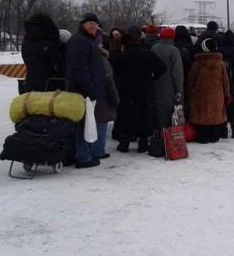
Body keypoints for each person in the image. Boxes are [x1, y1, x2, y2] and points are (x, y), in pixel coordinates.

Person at [113, 25, 167, 153]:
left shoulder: (122, 55)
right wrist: (152, 77)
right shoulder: (148, 54)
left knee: (126, 115)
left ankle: (124, 143)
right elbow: (162, 67)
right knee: (144, 115)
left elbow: (115, 71)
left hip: (126, 89)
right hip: (144, 89)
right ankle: (143, 143)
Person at [66, 12, 106, 168]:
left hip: (85, 89)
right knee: (83, 124)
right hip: (82, 91)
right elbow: (80, 69)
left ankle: (82, 154)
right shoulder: (80, 41)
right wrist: (90, 89)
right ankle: (83, 157)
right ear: (82, 24)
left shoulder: (88, 41)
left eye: (95, 24)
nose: (93, 26)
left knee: (84, 123)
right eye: (90, 23)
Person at [187, 38, 231, 143]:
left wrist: (188, 94)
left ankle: (203, 137)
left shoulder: (197, 64)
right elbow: (226, 81)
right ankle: (214, 136)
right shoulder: (220, 64)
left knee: (201, 117)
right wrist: (227, 95)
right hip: (217, 95)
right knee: (215, 117)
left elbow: (190, 81)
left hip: (199, 96)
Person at [93, 33, 120, 159]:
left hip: (90, 95)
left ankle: (90, 149)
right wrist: (115, 98)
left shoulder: (85, 57)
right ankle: (99, 150)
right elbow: (109, 81)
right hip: (102, 96)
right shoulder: (102, 60)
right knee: (101, 122)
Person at [151, 27, 184, 129]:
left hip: (155, 84)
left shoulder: (154, 48)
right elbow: (177, 72)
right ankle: (166, 135)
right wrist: (179, 90)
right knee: (168, 111)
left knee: (156, 109)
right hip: (169, 87)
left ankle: (156, 134)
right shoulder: (174, 51)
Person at [21, 12, 61, 93]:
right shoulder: (49, 43)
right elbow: (57, 63)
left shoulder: (26, 41)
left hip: (30, 82)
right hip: (49, 85)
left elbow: (27, 60)